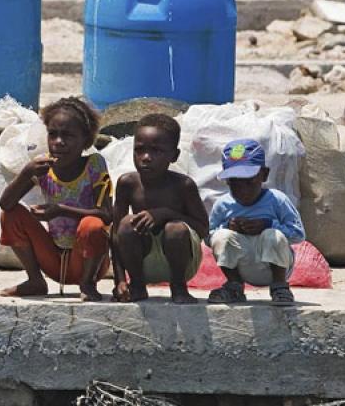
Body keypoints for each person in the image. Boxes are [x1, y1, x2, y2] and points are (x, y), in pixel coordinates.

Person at [0, 97, 112, 301]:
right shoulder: (43, 167)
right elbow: (5, 204)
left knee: (93, 225)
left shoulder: (94, 164)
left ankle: (87, 284)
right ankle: (35, 280)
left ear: (85, 140)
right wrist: (26, 173)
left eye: (68, 136)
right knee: (11, 214)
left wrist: (60, 210)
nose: (58, 142)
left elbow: (106, 214)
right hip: (54, 258)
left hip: (88, 260)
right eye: (53, 135)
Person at [112, 114, 208, 304]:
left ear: (174, 155)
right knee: (125, 224)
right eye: (139, 150)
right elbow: (115, 235)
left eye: (156, 151)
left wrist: (165, 214)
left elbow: (203, 229)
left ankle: (179, 288)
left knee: (175, 229)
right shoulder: (128, 183)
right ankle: (137, 286)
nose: (146, 158)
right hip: (142, 262)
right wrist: (120, 280)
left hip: (180, 263)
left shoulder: (183, 186)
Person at [207, 139, 305, 305]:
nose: (242, 189)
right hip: (242, 265)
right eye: (235, 183)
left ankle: (280, 287)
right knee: (221, 236)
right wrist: (228, 227)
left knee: (271, 235)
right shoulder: (223, 204)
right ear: (227, 181)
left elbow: (298, 234)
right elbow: (208, 236)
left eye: (249, 181)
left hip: (273, 267)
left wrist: (268, 225)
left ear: (264, 174)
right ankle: (234, 286)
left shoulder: (277, 199)